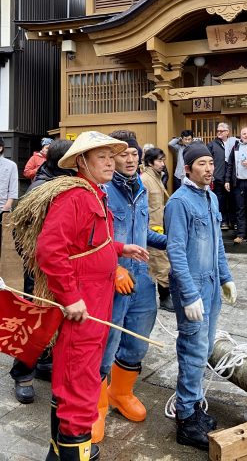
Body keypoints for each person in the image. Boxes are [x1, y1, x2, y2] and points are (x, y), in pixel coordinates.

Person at [34, 131, 149, 461]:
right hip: (81, 307)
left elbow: (90, 244)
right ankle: (74, 451)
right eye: (102, 157)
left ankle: (60, 451)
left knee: (75, 380)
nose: (111, 163)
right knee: (78, 385)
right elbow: (50, 250)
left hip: (96, 303)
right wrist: (70, 297)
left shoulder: (94, 194)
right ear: (81, 162)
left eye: (112, 157)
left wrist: (119, 248)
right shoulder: (73, 197)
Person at [92, 135, 166, 443]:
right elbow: (93, 239)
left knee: (138, 343)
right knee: (105, 345)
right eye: (123, 155)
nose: (130, 159)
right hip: (111, 278)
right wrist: (115, 267)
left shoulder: (139, 188)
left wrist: (173, 243)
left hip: (142, 277)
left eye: (134, 154)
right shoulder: (102, 191)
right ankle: (94, 407)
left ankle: (121, 392)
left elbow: (143, 232)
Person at [164, 142, 237, 450]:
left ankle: (193, 405)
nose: (209, 169)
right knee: (192, 350)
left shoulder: (210, 197)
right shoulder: (179, 202)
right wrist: (189, 293)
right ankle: (185, 417)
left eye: (211, 163)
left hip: (210, 285)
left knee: (204, 348)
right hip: (191, 288)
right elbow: (176, 251)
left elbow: (218, 243)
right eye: (202, 164)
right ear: (188, 168)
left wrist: (226, 277)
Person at [10, 139, 74, 405]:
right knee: (36, 320)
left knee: (58, 319)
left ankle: (45, 363)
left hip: (64, 268)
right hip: (39, 271)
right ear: (62, 163)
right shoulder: (41, 189)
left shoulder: (71, 182)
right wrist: (35, 262)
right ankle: (23, 375)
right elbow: (19, 231)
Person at [140, 147, 174, 312]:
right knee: (161, 264)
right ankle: (165, 298)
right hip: (152, 228)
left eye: (163, 160)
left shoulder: (157, 177)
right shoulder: (145, 179)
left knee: (162, 262)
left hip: (160, 225)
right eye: (159, 160)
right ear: (149, 162)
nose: (162, 164)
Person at [207, 123, 237, 230]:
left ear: (227, 132)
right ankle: (222, 221)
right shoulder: (212, 144)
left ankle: (234, 221)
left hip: (232, 178)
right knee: (220, 201)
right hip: (218, 177)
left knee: (233, 200)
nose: (219, 132)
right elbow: (208, 161)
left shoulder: (235, 143)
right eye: (218, 130)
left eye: (222, 131)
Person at [0, 136, 18, 214]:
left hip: (2, 208)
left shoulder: (11, 165)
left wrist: (7, 205)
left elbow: (13, 187)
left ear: (0, 148)